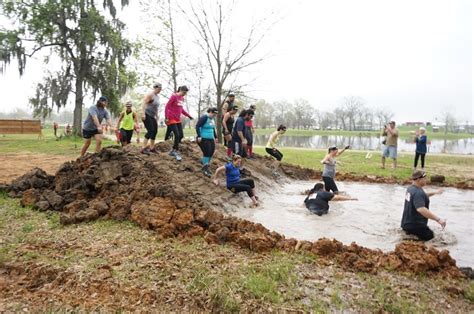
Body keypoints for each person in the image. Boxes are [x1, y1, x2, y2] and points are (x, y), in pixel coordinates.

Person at [401, 170, 445, 241]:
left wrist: (435, 192)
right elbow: (421, 209)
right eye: (424, 178)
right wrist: (438, 220)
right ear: (419, 179)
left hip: (406, 224)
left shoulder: (411, 189)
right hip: (416, 226)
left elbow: (422, 196)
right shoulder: (418, 192)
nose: (426, 180)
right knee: (432, 238)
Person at [164, 85, 194, 161]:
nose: (184, 94)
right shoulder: (174, 96)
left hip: (177, 119)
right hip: (171, 118)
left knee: (181, 135)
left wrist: (188, 115)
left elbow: (181, 109)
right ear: (180, 90)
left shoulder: (182, 98)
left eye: (186, 93)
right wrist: (166, 117)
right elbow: (167, 107)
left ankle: (173, 149)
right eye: (184, 92)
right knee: (177, 135)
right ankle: (175, 151)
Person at [196, 107, 218, 177]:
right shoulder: (204, 117)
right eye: (214, 114)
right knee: (207, 153)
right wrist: (199, 136)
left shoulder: (212, 119)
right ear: (211, 112)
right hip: (204, 138)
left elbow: (213, 128)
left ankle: (206, 166)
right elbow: (197, 126)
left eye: (216, 114)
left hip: (211, 138)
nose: (215, 115)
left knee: (211, 152)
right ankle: (205, 169)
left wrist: (216, 137)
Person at [141, 82, 162, 154]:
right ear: (155, 88)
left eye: (161, 89)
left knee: (155, 131)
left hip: (152, 116)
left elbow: (156, 107)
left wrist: (157, 116)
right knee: (150, 130)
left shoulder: (157, 97)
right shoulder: (150, 95)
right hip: (146, 114)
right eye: (159, 88)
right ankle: (143, 148)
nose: (160, 90)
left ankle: (152, 148)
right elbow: (144, 103)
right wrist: (143, 114)